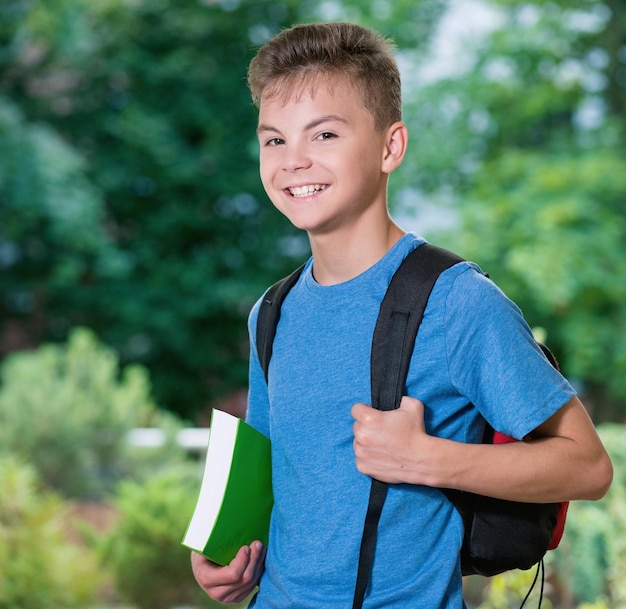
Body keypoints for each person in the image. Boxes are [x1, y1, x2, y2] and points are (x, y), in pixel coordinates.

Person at [191, 22, 613, 608]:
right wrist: (226, 556)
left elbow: (588, 467)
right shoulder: (272, 312)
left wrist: (427, 458)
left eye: (325, 134)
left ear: (390, 146)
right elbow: (273, 476)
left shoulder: (456, 302)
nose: (294, 162)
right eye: (274, 140)